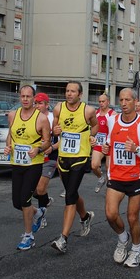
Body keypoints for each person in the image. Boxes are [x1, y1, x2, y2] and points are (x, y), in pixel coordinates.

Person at [100, 88, 140, 267]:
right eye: (121, 100)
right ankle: (123, 238)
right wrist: (105, 146)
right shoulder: (112, 120)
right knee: (110, 214)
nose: (123, 103)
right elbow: (110, 141)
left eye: (127, 100)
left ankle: (136, 250)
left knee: (133, 217)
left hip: (136, 177)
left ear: (135, 101)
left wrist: (137, 150)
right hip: (116, 175)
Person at [50, 81, 99, 253]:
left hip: (80, 156)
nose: (69, 94)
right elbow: (54, 129)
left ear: (80, 94)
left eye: (73, 91)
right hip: (63, 157)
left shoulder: (88, 110)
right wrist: (55, 132)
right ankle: (85, 216)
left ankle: (63, 238)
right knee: (72, 192)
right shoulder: (58, 108)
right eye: (67, 91)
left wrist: (90, 137)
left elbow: (95, 126)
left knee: (69, 196)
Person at [4, 86, 51, 250]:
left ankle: (28, 236)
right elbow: (11, 135)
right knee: (17, 203)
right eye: (22, 96)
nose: (25, 99)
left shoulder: (41, 119)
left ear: (34, 99)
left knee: (25, 199)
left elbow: (47, 141)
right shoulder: (12, 115)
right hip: (17, 163)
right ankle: (38, 212)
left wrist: (38, 149)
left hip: (34, 164)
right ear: (19, 97)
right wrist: (8, 146)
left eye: (28, 97)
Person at [32, 92, 59, 230]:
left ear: (47, 105)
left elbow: (63, 139)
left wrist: (52, 147)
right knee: (34, 191)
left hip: (50, 157)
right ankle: (46, 200)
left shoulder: (52, 118)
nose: (37, 106)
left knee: (40, 188)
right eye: (35, 103)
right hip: (34, 158)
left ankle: (41, 217)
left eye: (40, 103)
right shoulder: (31, 117)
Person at [92, 93, 115, 193]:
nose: (101, 103)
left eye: (103, 101)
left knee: (109, 169)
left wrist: (109, 142)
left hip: (109, 145)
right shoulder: (95, 113)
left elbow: (116, 131)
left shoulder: (113, 114)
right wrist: (91, 138)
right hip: (98, 144)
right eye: (99, 101)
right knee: (94, 165)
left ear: (108, 102)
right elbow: (91, 129)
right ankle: (101, 177)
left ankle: (110, 190)